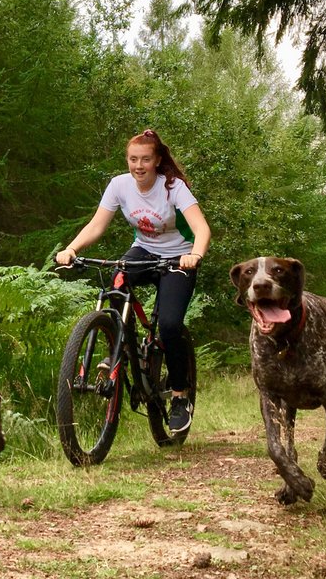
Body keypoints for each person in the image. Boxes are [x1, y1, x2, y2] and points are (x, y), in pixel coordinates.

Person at [55, 129, 211, 434]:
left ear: (157, 161)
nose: (138, 166)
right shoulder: (119, 185)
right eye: (133, 159)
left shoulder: (172, 187)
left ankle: (179, 396)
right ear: (127, 160)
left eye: (145, 159)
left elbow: (201, 228)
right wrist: (72, 249)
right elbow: (97, 225)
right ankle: (121, 349)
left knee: (169, 326)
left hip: (178, 258)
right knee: (116, 282)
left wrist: (195, 254)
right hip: (145, 251)